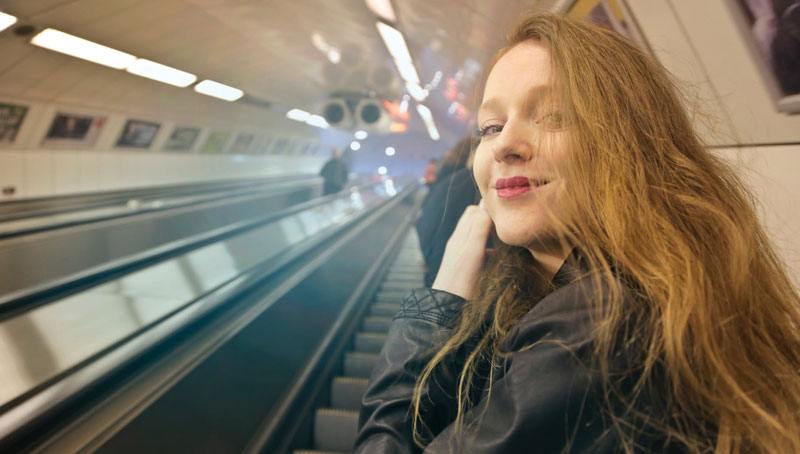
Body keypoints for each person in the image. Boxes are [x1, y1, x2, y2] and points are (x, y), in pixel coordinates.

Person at [355, 13, 800, 454]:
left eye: (553, 117)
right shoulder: (645, 285)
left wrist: (442, 299)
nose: (505, 144)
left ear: (628, 145)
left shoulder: (597, 325)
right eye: (490, 127)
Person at [415, 137, 480, 286]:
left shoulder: (444, 183)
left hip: (436, 273)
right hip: (452, 283)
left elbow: (421, 223)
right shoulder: (469, 185)